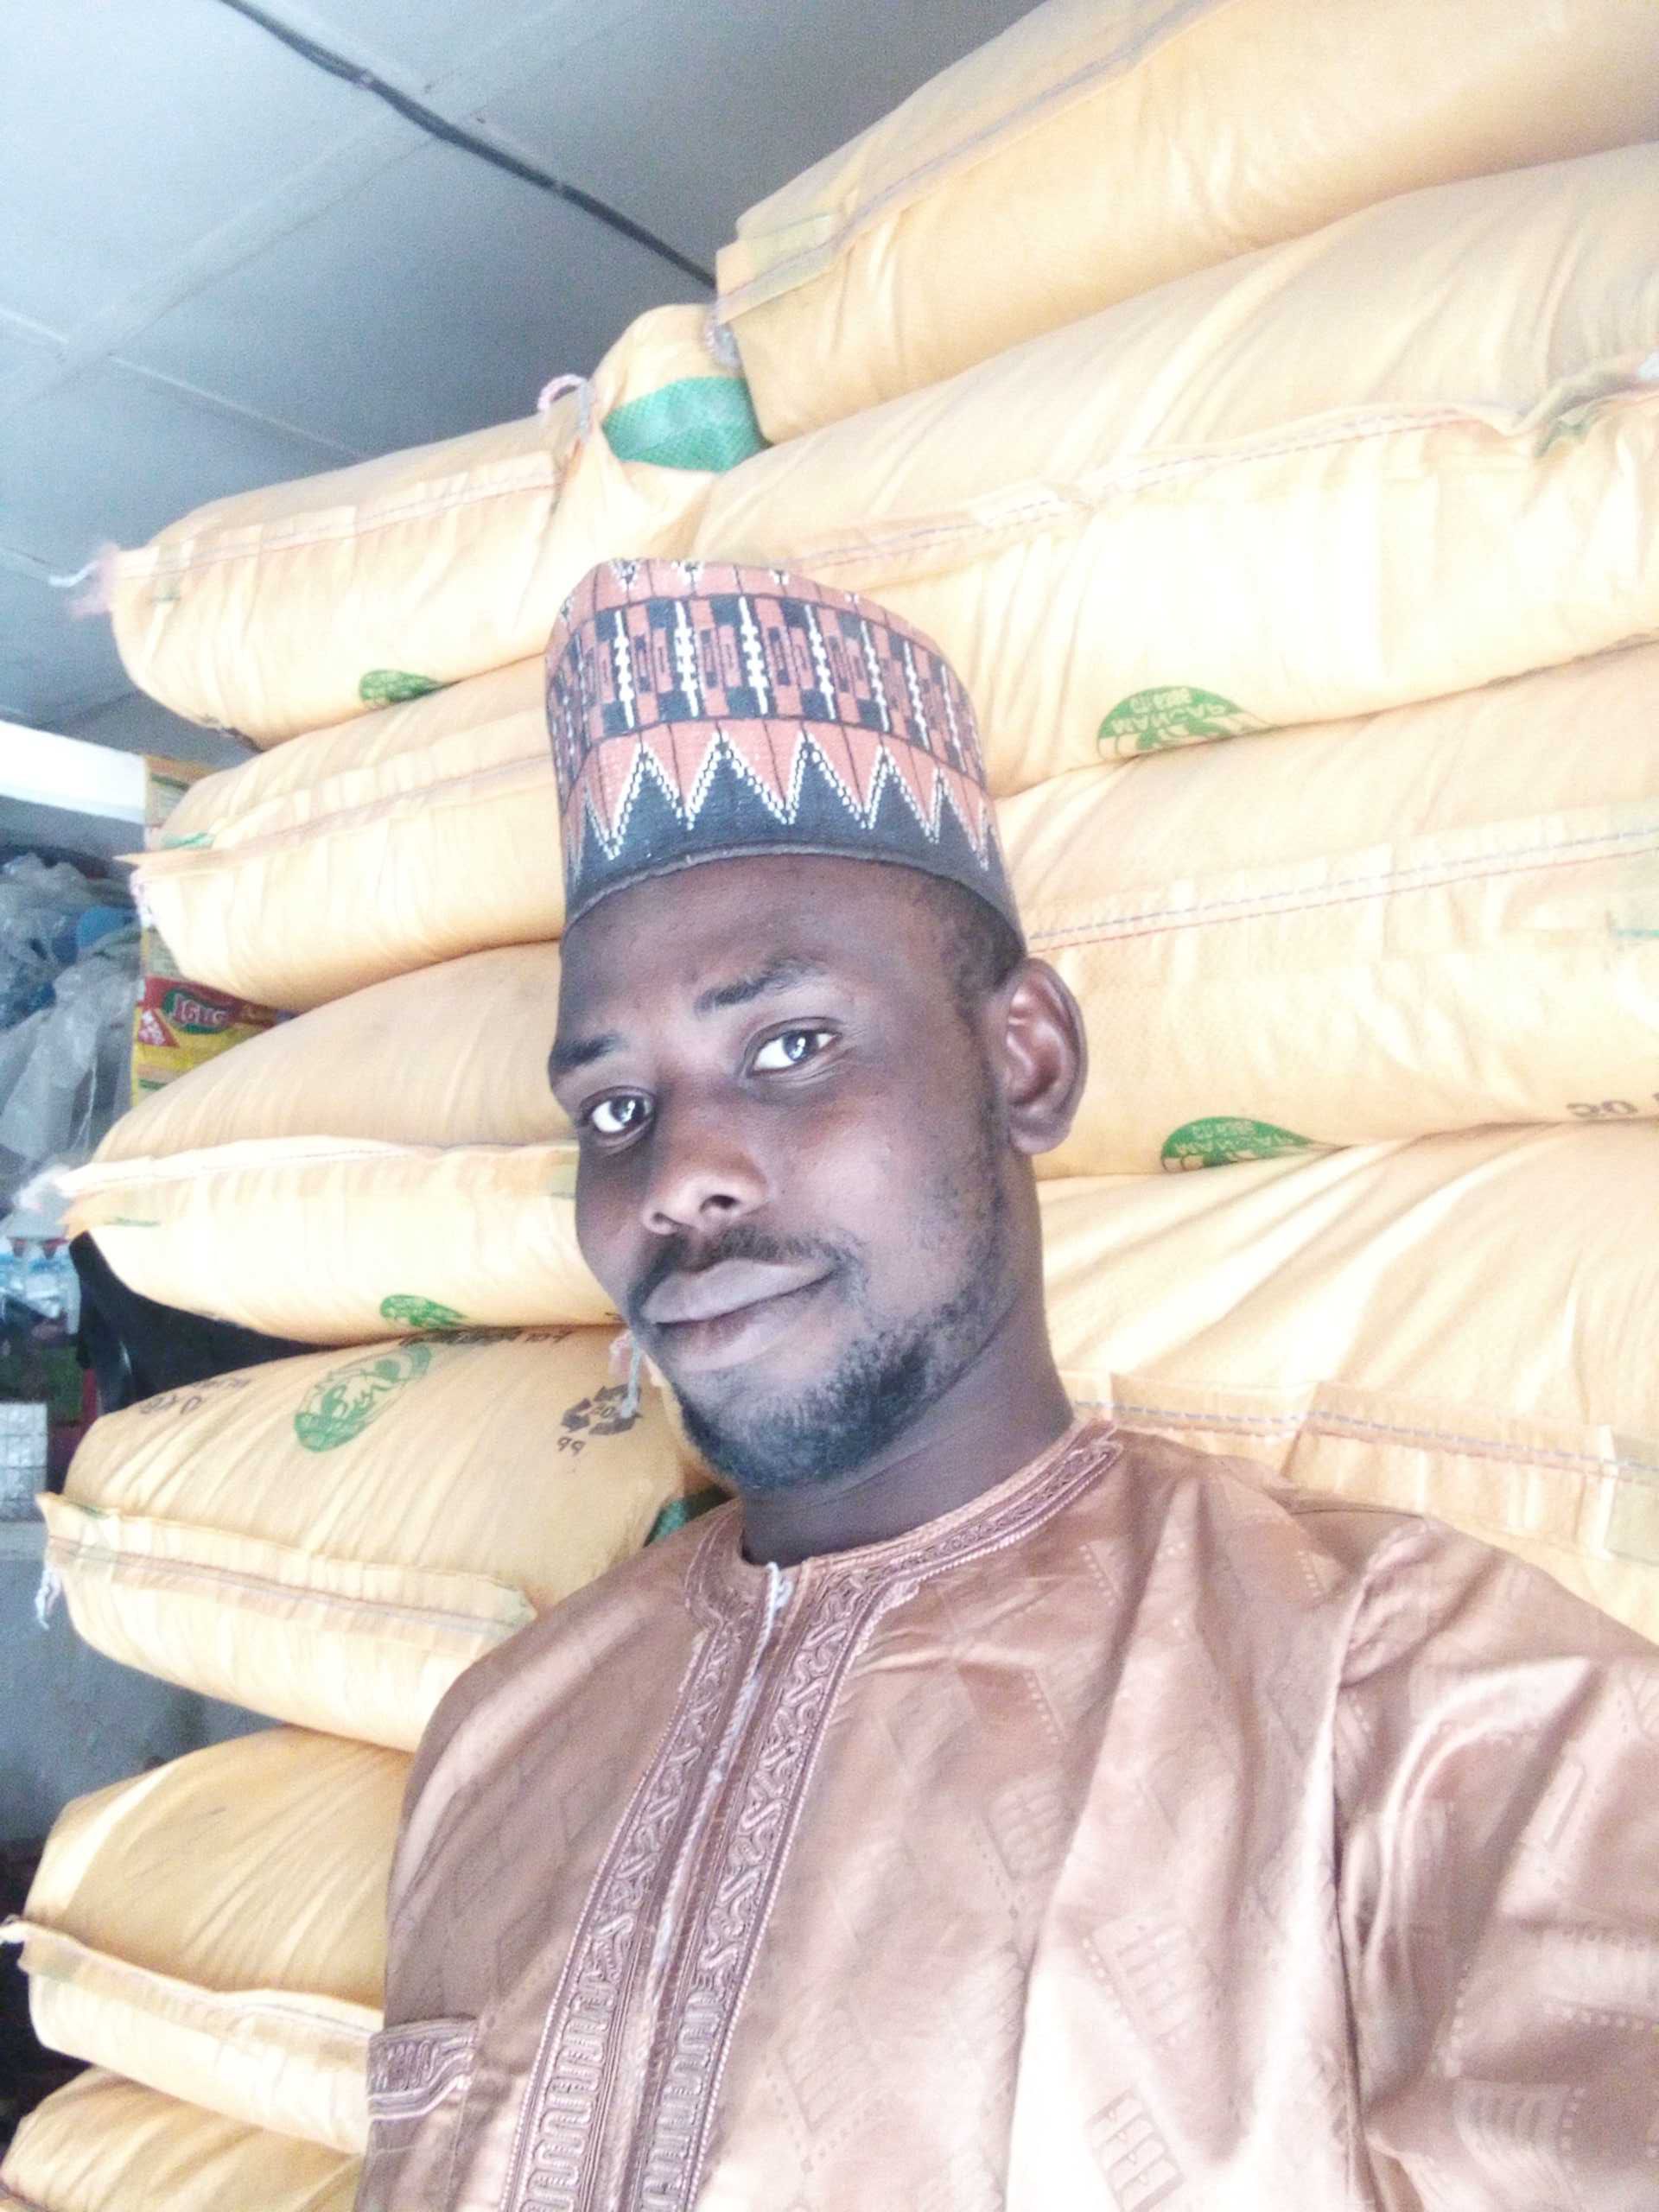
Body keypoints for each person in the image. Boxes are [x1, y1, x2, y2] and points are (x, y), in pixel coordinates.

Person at [359, 562, 1659, 2212]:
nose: (678, 1177)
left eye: (790, 1047)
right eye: (614, 1111)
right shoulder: (495, 1739)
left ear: (1025, 1059)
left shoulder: (1408, 1695)